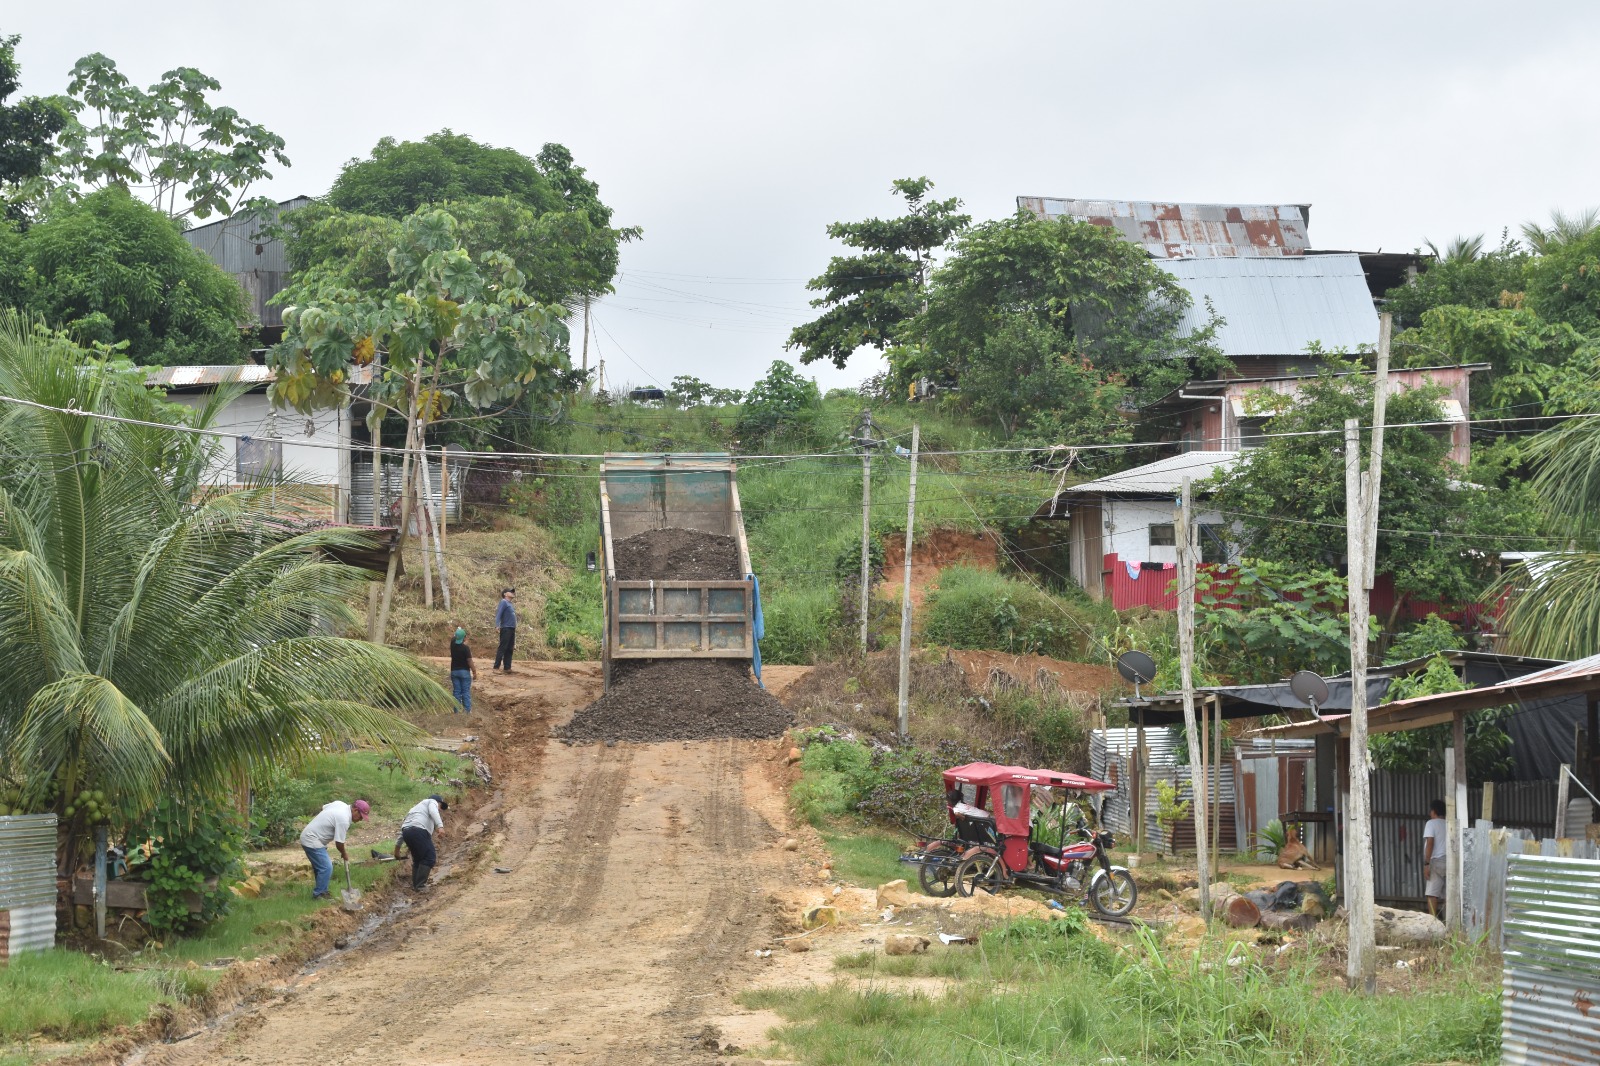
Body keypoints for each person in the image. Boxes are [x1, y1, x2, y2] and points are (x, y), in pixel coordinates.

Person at [299, 798, 369, 899]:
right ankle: (319, 894)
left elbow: (324, 808)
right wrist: (344, 853)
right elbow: (339, 843)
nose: (360, 819)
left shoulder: (340, 804)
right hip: (312, 839)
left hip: (311, 836)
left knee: (320, 868)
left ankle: (322, 891)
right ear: (355, 810)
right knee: (326, 867)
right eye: (361, 816)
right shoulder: (344, 819)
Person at [399, 794, 449, 891]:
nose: (440, 810)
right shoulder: (431, 802)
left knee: (418, 859)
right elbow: (433, 810)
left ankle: (416, 885)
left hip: (407, 833)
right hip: (419, 831)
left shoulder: (414, 810)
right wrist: (440, 826)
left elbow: (405, 827)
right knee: (430, 857)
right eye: (440, 806)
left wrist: (397, 848)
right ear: (437, 802)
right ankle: (420, 886)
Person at [1423, 798, 1447, 918]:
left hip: (1437, 861)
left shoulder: (1431, 823)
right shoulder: (1450, 823)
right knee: (1448, 895)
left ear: (1433, 811)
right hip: (1450, 862)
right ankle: (1449, 923)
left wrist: (1426, 864)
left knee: (1432, 894)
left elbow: (1430, 842)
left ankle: (1433, 923)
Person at [449, 627, 476, 712]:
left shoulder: (452, 645)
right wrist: (474, 671)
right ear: (464, 638)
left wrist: (458, 632)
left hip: (454, 672)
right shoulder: (465, 648)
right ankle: (467, 711)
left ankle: (456, 711)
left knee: (456, 692)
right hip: (464, 672)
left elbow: (454, 638)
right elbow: (469, 661)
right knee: (465, 692)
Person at [493, 588, 517, 673]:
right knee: (503, 647)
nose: (512, 593)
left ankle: (507, 667)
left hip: (511, 628)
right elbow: (499, 613)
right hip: (506, 628)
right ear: (505, 594)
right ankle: (496, 667)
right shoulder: (503, 602)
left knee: (509, 648)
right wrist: (497, 625)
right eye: (510, 592)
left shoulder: (510, 604)